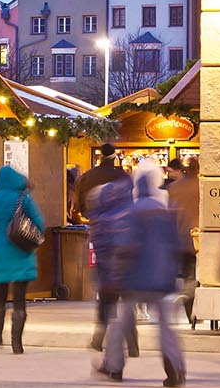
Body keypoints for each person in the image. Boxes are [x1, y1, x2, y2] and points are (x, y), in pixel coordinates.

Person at [97, 168, 187, 387]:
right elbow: (176, 244)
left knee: (122, 323)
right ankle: (174, 368)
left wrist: (117, 273)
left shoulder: (134, 212)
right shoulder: (164, 211)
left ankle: (113, 366)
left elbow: (127, 245)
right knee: (166, 327)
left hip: (136, 278)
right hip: (163, 278)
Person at [0, 163, 44, 354]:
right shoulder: (23, 198)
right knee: (19, 300)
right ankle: (16, 344)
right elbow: (40, 224)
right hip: (21, 251)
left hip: (0, 251)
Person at [78, 145, 132, 352]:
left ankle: (99, 338)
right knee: (126, 295)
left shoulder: (88, 178)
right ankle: (131, 342)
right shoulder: (124, 178)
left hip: (101, 240)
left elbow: (81, 207)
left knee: (106, 293)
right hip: (125, 244)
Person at [87, 175, 139, 357]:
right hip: (127, 270)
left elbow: (97, 243)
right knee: (128, 305)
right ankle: (133, 345)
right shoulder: (130, 213)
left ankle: (98, 339)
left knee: (105, 304)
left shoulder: (100, 218)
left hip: (107, 270)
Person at [166, 158, 200, 327]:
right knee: (195, 277)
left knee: (188, 274)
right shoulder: (201, 186)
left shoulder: (173, 188)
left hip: (180, 239)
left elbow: (169, 215)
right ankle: (189, 299)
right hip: (199, 239)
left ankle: (191, 315)